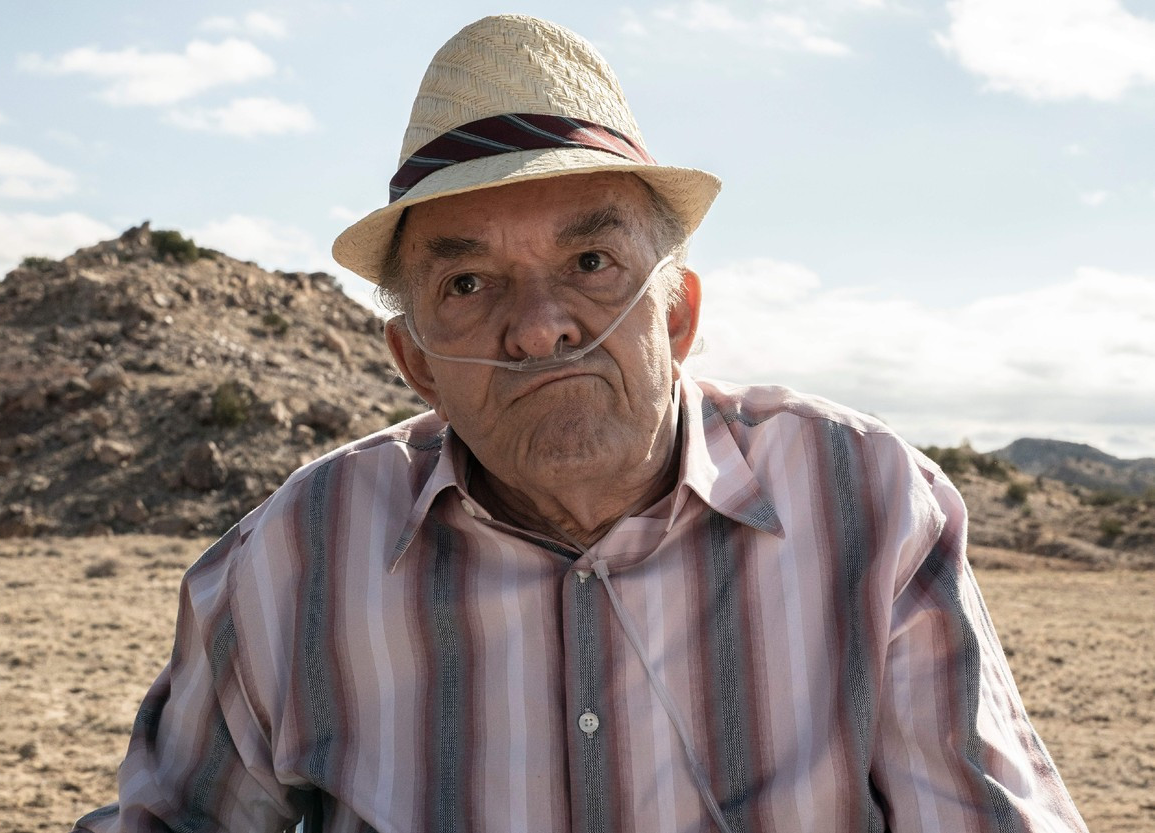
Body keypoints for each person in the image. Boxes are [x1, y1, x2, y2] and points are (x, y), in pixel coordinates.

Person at [75, 14, 1087, 833]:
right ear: (416, 363)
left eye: (590, 263)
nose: (538, 326)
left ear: (677, 315)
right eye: (468, 282)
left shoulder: (864, 502)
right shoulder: (298, 555)